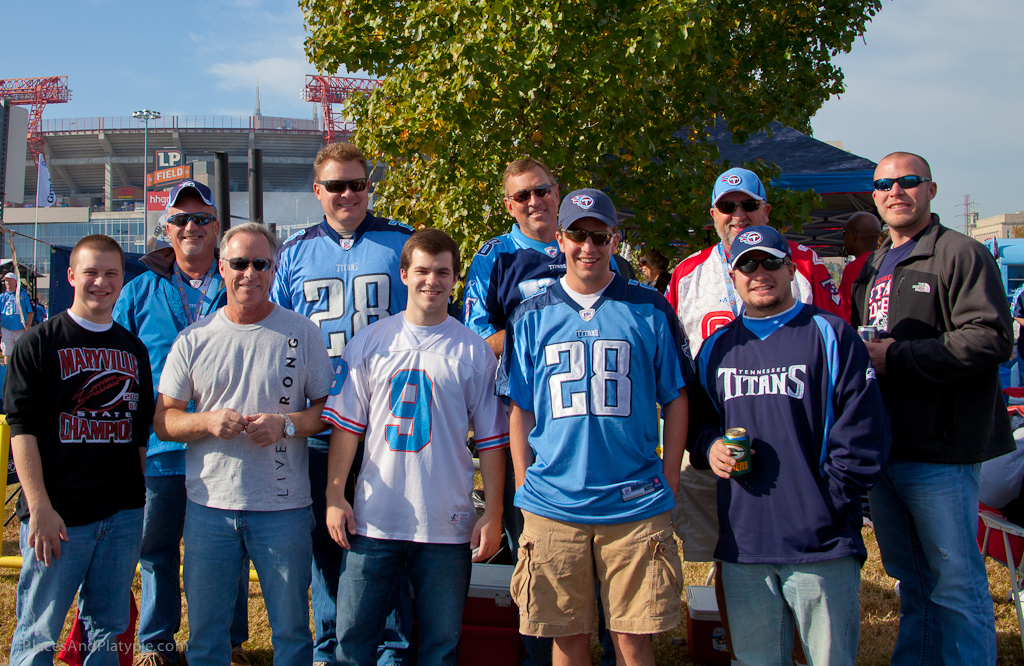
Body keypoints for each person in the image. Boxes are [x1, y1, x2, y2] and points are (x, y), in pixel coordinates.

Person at [497, 188, 689, 666]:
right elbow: (519, 409)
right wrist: (524, 483)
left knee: (633, 638)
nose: (589, 246)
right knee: (567, 636)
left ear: (615, 240)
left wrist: (671, 476)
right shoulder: (530, 314)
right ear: (560, 239)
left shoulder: (649, 308)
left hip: (635, 501)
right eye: (578, 235)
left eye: (599, 235)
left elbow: (676, 398)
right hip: (554, 502)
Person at [688, 225, 890, 666]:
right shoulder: (716, 349)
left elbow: (864, 433)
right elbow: (698, 424)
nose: (759, 273)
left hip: (820, 544)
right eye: (746, 264)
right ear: (733, 275)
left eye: (770, 262)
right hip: (744, 544)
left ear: (790, 268)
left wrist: (828, 505)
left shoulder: (831, 335)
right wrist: (709, 448)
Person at [850, 152, 1014, 665]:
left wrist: (896, 355)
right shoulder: (874, 264)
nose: (895, 191)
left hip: (941, 452)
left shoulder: (960, 254)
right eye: (883, 184)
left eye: (908, 181)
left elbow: (991, 338)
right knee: (913, 583)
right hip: (888, 449)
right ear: (874, 195)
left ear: (931, 189)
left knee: (957, 586)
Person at [322, 229, 508, 666]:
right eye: (422, 270)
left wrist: (494, 510)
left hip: (445, 524)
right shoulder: (369, 343)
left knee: (441, 648)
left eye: (443, 271)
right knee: (352, 642)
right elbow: (348, 430)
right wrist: (335, 494)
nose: (432, 280)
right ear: (403, 274)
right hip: (375, 520)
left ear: (455, 279)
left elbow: (493, 442)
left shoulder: (474, 352)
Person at [155, 223, 333, 666]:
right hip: (209, 506)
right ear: (222, 267)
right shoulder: (194, 338)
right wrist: (206, 421)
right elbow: (164, 421)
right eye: (238, 263)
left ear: (274, 270)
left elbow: (327, 411)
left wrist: (286, 425)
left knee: (292, 633)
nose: (249, 273)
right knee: (206, 637)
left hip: (283, 509)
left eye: (260, 264)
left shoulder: (303, 332)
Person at [271, 141, 414, 666]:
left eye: (357, 183)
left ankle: (392, 647)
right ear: (318, 192)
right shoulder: (294, 253)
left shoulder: (401, 243)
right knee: (325, 538)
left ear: (369, 186)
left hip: (387, 418)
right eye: (336, 185)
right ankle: (330, 646)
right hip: (322, 416)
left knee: (388, 534)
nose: (348, 194)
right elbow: (280, 334)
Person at [665, 166, 843, 564]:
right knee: (722, 559)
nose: (737, 214)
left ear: (765, 210)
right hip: (710, 443)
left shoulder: (803, 264)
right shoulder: (686, 274)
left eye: (748, 204)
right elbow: (671, 364)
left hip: (794, 438)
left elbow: (838, 351)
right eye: (727, 206)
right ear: (713, 214)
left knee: (802, 559)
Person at [113, 180, 250, 666]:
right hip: (159, 447)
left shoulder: (239, 280)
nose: (191, 227)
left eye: (202, 219)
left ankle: (229, 641)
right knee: (156, 548)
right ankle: (156, 640)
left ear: (217, 228)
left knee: (225, 549)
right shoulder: (138, 290)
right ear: (166, 229)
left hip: (222, 447)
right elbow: (118, 363)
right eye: (180, 219)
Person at [6, 235, 154, 666]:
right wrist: (39, 508)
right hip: (60, 516)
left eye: (111, 273)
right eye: (91, 272)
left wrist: (133, 502)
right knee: (38, 634)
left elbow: (138, 432)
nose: (101, 282)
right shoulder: (39, 342)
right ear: (71, 275)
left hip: (121, 516)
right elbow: (22, 431)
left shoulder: (132, 348)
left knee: (108, 630)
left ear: (122, 279)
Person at [838, 211, 881, 322]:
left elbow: (845, 311)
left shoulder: (854, 269)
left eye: (844, 232)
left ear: (853, 236)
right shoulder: (887, 262)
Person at [2, 271, 33, 363]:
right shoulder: (2, 297)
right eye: (6, 281)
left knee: (21, 353)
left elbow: (30, 312)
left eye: (10, 280)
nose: (7, 282)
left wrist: (28, 324)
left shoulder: (23, 295)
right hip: (6, 328)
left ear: (15, 281)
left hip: (20, 328)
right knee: (7, 353)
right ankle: (6, 372)